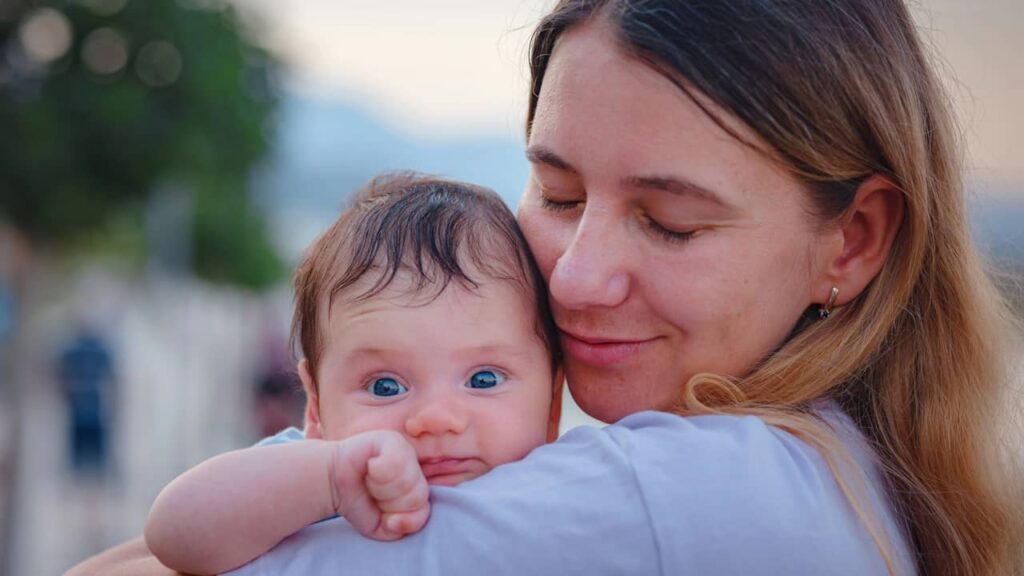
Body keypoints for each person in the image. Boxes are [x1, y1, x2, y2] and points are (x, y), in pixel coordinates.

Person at [68, 1, 1022, 575]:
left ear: (853, 240)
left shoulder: (705, 491)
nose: (575, 273)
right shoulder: (844, 464)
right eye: (558, 194)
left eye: (670, 220)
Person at [142, 174, 564, 574]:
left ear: (552, 401)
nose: (436, 418)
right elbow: (173, 533)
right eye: (385, 386)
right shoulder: (312, 476)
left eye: (484, 379)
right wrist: (331, 480)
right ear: (316, 407)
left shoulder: (564, 484)